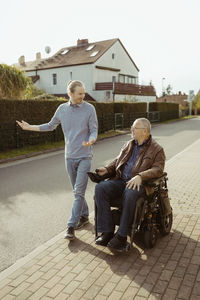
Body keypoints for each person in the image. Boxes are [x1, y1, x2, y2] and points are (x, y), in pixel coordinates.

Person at [16, 80, 98, 241]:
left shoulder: (89, 108)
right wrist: (29, 127)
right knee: (77, 191)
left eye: (84, 92)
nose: (83, 96)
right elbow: (50, 125)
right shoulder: (62, 109)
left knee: (78, 192)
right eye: (80, 93)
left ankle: (70, 226)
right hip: (69, 156)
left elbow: (94, 129)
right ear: (71, 94)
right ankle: (84, 215)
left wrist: (92, 140)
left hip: (85, 156)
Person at [95, 118, 165, 251]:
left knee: (130, 191)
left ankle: (121, 237)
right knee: (100, 188)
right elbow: (117, 161)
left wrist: (140, 176)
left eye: (134, 128)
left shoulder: (157, 149)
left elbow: (158, 169)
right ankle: (107, 232)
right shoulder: (129, 144)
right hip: (121, 181)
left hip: (141, 185)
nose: (131, 130)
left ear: (145, 131)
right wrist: (107, 169)